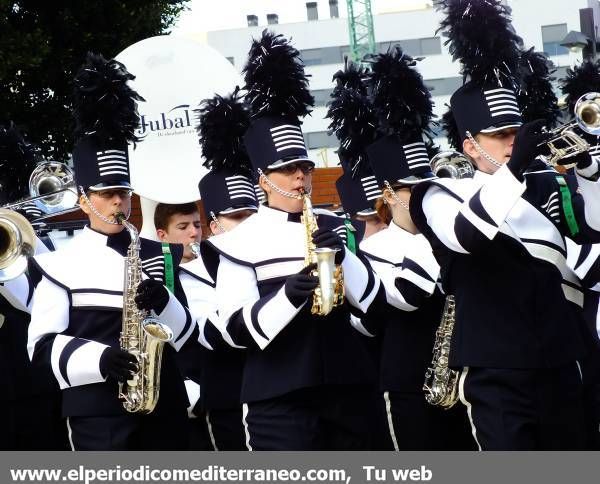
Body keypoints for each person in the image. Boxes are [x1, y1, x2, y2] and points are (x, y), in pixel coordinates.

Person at [409, 0, 600, 450]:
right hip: (496, 369)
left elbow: (592, 234)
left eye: (517, 132)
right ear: (470, 145)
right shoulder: (436, 194)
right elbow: (466, 235)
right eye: (501, 136)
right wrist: (514, 170)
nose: (514, 143)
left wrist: (590, 174)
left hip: (562, 358)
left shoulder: (544, 182)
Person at [204, 31, 381, 450]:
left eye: (303, 166)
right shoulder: (240, 240)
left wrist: (343, 258)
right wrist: (286, 296)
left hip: (347, 388)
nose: (300, 176)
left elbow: (373, 303)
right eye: (288, 169)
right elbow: (230, 329)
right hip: (278, 394)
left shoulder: (331, 222)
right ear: (262, 179)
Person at [26, 53, 194, 451]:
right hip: (97, 413)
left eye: (124, 193)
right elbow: (41, 345)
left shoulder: (161, 253)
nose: (119, 203)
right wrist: (98, 360)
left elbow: (188, 333)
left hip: (163, 408)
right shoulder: (58, 264)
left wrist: (165, 300)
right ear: (84, 200)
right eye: (107, 195)